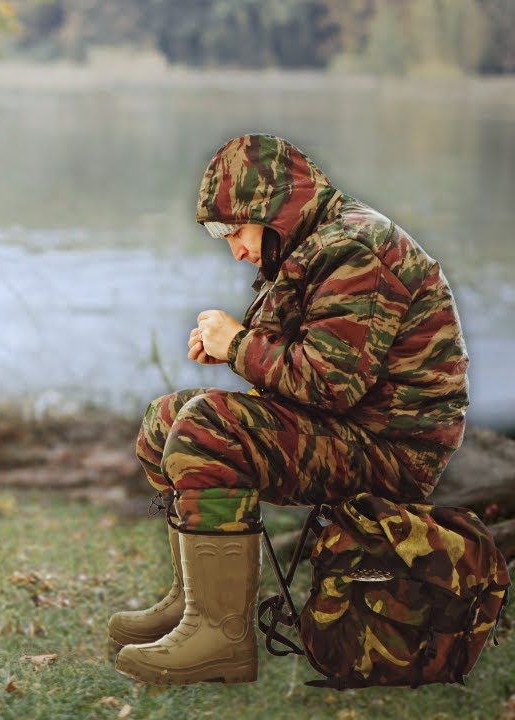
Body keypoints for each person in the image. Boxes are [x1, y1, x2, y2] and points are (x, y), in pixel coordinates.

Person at [108, 133, 470, 685]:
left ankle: (221, 640)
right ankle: (192, 605)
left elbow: (330, 385)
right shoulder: (315, 242)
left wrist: (238, 345)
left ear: (273, 210)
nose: (235, 249)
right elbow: (311, 352)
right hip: (351, 428)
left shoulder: (354, 248)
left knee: (206, 427)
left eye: (235, 231)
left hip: (392, 449)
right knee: (166, 419)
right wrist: (240, 344)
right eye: (220, 234)